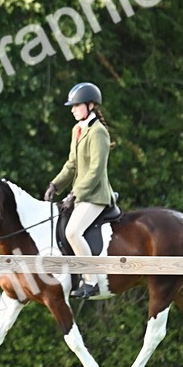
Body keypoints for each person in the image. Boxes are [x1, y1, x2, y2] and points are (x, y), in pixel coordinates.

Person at [44, 82, 114, 299]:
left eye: (76, 105)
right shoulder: (78, 129)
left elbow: (95, 170)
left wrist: (75, 194)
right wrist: (55, 184)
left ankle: (91, 280)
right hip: (81, 194)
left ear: (90, 105)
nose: (72, 109)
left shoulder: (98, 132)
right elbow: (71, 164)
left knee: (72, 231)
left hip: (96, 195)